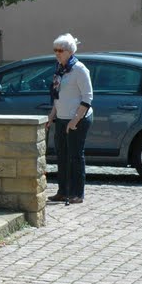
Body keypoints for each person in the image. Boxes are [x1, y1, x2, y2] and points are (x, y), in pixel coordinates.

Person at [45, 33, 93, 205]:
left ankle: (77, 194)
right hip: (62, 117)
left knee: (75, 156)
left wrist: (74, 121)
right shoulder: (60, 69)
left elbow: (87, 98)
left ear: (70, 52)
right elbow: (57, 98)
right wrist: (51, 117)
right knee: (62, 156)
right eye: (55, 50)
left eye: (61, 50)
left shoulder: (79, 69)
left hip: (78, 118)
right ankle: (63, 191)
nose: (57, 53)